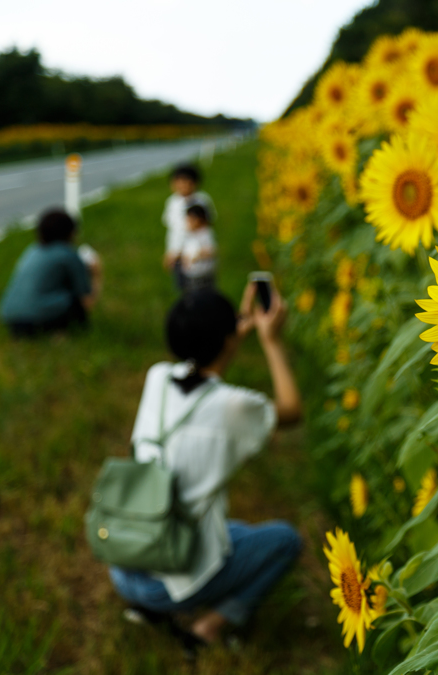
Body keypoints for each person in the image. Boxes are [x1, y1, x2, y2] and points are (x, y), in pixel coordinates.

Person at [108, 284, 303, 654]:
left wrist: (231, 336)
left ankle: (149, 605)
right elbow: (291, 411)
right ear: (228, 339)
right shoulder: (233, 408)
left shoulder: (157, 377)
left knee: (234, 531)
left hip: (122, 566)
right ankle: (209, 627)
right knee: (284, 540)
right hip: (169, 586)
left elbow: (202, 366)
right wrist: (271, 341)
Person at [0, 208, 102, 336]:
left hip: (10, 318)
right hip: (37, 322)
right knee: (74, 302)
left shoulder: (32, 250)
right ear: (71, 233)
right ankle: (61, 334)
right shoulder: (68, 255)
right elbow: (86, 301)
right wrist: (96, 273)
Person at [162, 164, 215, 290]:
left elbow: (209, 222)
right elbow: (173, 230)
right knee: (182, 285)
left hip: (198, 253)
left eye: (186, 182)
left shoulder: (202, 200)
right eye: (178, 182)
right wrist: (171, 252)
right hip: (178, 252)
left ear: (195, 183)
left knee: (203, 286)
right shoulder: (172, 203)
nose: (182, 186)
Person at [180, 204, 217, 292]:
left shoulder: (206, 235)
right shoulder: (190, 234)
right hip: (191, 275)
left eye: (190, 220)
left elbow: (211, 252)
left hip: (202, 276)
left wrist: (195, 257)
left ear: (199, 220)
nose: (187, 222)